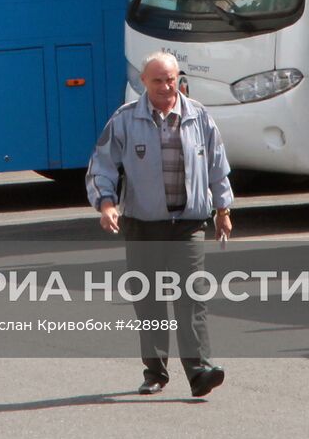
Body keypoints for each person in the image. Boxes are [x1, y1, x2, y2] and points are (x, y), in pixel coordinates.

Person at [86, 49, 234, 398]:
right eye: (158, 80)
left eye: (171, 79)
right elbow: (101, 166)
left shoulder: (199, 116)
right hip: (142, 224)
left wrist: (223, 210)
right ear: (143, 82)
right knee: (149, 299)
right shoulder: (124, 120)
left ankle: (200, 371)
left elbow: (217, 165)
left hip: (187, 224)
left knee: (192, 297)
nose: (167, 87)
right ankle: (155, 372)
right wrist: (106, 204)